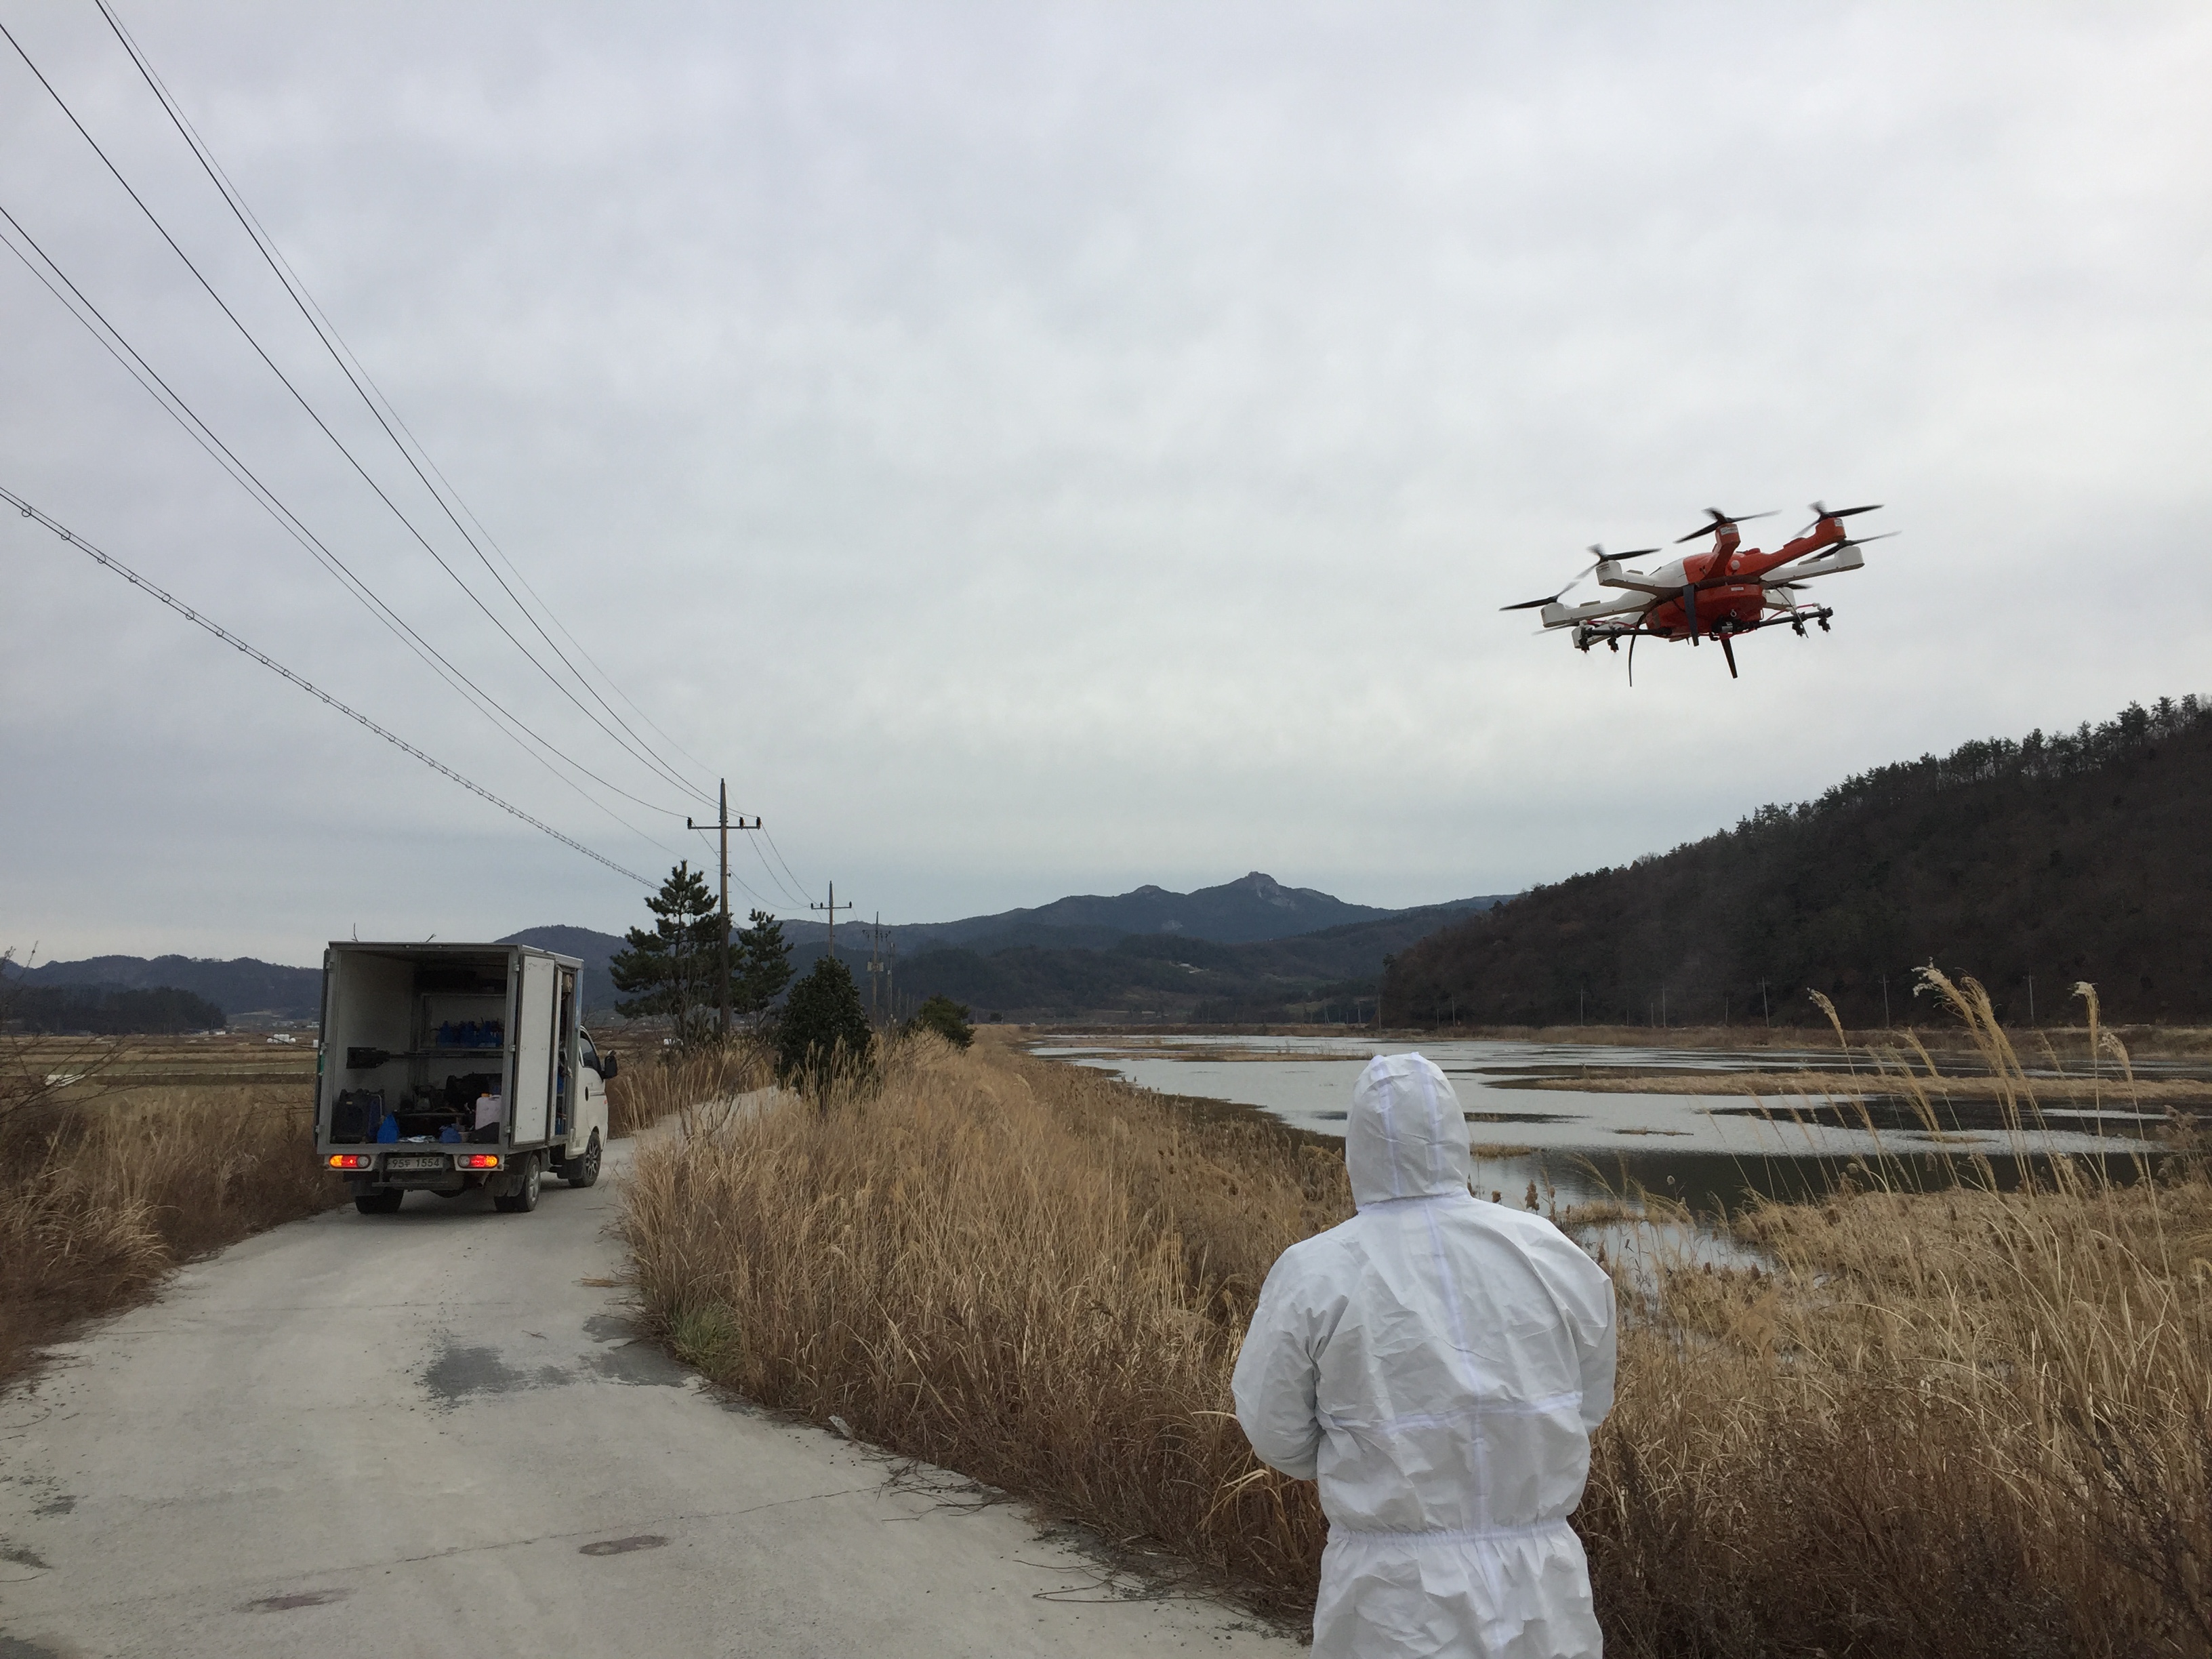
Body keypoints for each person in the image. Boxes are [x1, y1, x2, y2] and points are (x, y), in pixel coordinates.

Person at [1233, 1052, 1617, 1658]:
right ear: (1454, 1134)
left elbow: (1274, 1428)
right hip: (1541, 1589)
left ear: (1356, 1146)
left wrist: (1359, 1461)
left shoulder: (1317, 1271)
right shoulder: (1548, 1253)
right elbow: (1586, 1402)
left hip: (1393, 1600)